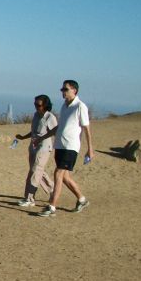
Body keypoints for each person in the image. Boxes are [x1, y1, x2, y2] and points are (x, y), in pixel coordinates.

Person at [34, 79, 93, 217]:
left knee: (58, 173)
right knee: (65, 177)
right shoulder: (64, 106)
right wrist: (42, 138)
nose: (63, 91)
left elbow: (86, 128)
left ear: (74, 90)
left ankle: (52, 206)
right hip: (59, 145)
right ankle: (82, 199)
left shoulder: (80, 106)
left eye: (66, 89)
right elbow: (59, 127)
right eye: (62, 89)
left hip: (71, 147)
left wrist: (90, 148)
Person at [14, 94, 56, 206]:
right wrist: (23, 137)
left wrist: (42, 139)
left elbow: (55, 131)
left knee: (35, 170)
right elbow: (34, 132)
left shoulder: (50, 117)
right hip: (33, 145)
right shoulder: (36, 115)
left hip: (44, 147)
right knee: (37, 170)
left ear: (45, 105)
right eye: (35, 104)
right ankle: (52, 188)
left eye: (39, 105)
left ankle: (29, 198)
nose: (36, 107)